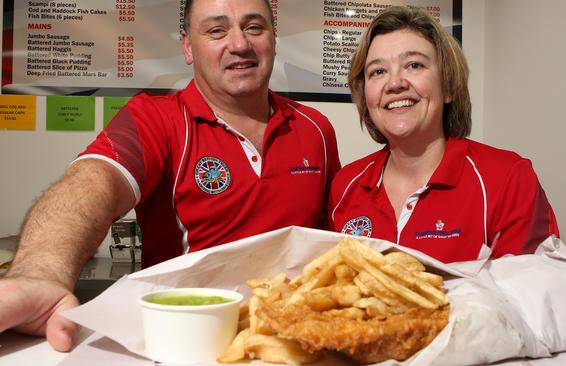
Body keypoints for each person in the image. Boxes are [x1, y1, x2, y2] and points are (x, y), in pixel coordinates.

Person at [0, 0, 339, 352]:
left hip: (298, 345)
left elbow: (333, 242)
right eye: (216, 30)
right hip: (189, 342)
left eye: (254, 27)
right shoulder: (155, 118)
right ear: (188, 47)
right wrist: (38, 274)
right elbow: (93, 182)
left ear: (274, 38)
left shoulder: (316, 129)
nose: (239, 44)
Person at [327, 5, 566, 337]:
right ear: (365, 94)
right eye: (377, 71)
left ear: (448, 87)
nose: (395, 83)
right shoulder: (345, 184)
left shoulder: (507, 176)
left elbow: (540, 292)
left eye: (414, 65)